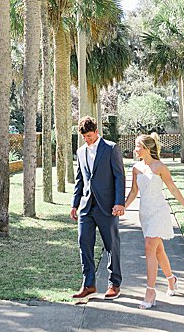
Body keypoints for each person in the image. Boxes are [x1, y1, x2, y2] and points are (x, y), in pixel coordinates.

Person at [122, 132, 184, 309]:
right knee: (158, 251)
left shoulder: (160, 167)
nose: (135, 149)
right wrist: (123, 207)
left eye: (138, 146)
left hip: (159, 212)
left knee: (149, 248)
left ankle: (150, 291)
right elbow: (133, 192)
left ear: (146, 149)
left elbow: (172, 188)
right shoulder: (136, 168)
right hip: (145, 213)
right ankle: (172, 279)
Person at [70, 116, 125, 300]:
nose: (88, 139)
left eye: (90, 136)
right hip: (86, 207)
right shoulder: (80, 152)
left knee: (111, 245)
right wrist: (74, 204)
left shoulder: (110, 148)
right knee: (83, 243)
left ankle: (114, 284)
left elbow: (119, 176)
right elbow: (80, 180)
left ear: (97, 132)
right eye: (85, 137)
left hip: (107, 206)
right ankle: (88, 284)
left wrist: (119, 202)